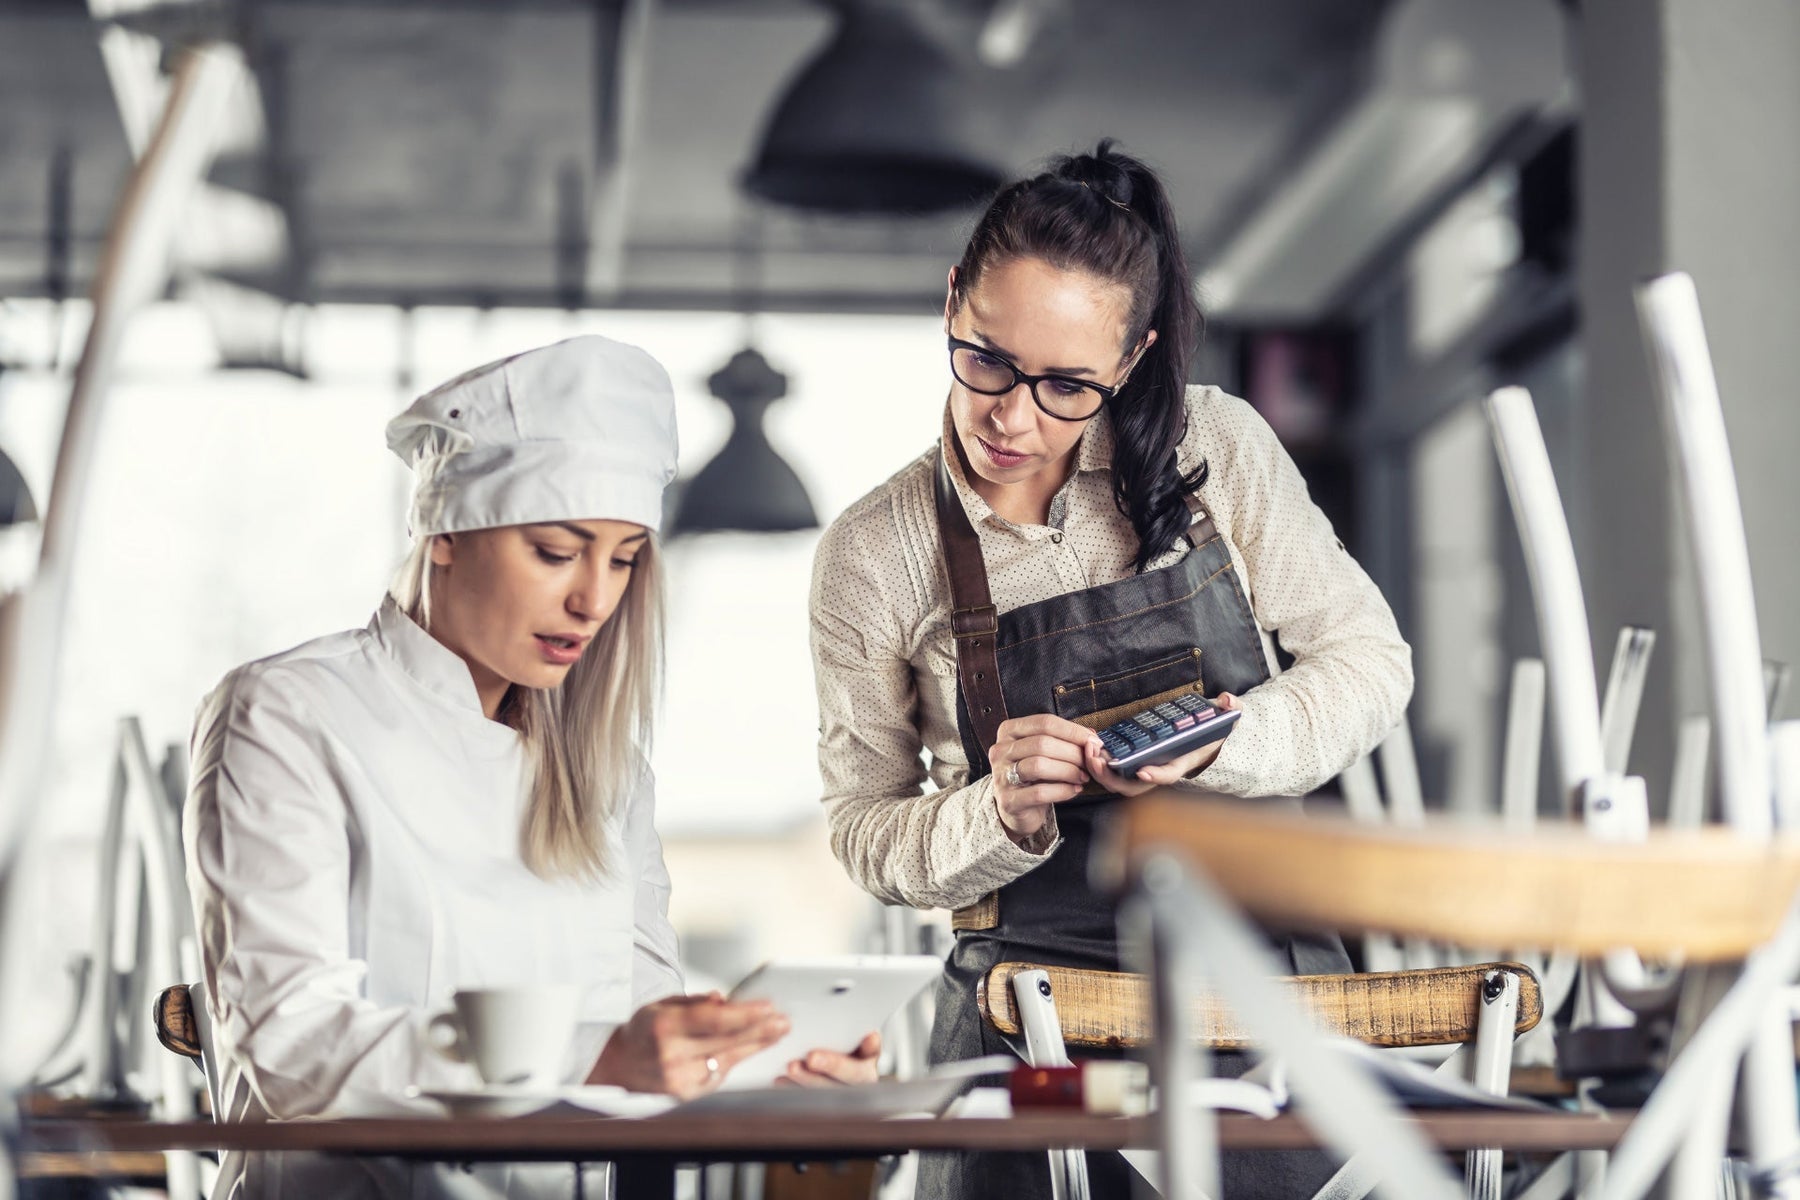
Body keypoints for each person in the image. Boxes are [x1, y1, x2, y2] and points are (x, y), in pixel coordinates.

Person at [808, 142, 1413, 1197]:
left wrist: (1231, 741)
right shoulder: (875, 551)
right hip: (1025, 1004)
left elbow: (1370, 661)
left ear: (1129, 361)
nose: (1013, 416)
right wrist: (994, 812)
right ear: (952, 301)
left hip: (1260, 990)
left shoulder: (1209, 444)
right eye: (986, 359)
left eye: (1067, 386)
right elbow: (864, 827)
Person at [185, 336, 876, 1200]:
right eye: (556, 551)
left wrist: (771, 1075)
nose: (593, 599)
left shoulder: (608, 768)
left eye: (623, 560)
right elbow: (294, 1049)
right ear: (443, 532)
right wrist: (599, 1057)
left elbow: (646, 1036)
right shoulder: (287, 715)